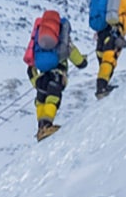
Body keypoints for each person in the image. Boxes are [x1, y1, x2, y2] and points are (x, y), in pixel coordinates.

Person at [25, 9, 88, 141]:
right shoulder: (62, 41)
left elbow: (30, 65)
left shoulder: (38, 42)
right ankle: (47, 126)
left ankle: (41, 128)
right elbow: (77, 59)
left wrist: (35, 81)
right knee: (53, 98)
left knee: (41, 100)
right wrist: (83, 61)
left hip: (41, 76)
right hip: (57, 74)